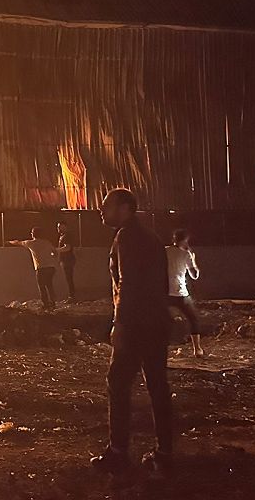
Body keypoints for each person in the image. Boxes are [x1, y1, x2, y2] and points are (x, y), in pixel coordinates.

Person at [91, 188, 173, 475]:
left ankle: (118, 453)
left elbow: (127, 283)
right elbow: (160, 284)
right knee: (158, 386)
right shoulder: (151, 238)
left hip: (136, 325)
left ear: (125, 208)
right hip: (156, 323)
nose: (101, 211)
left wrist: (120, 324)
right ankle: (165, 452)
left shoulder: (126, 237)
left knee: (117, 382)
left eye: (107, 206)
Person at [166, 229, 203, 357]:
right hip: (180, 293)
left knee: (159, 320)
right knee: (194, 319)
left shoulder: (164, 251)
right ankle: (197, 349)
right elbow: (195, 275)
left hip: (165, 293)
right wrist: (193, 258)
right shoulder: (186, 254)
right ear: (185, 240)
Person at [9, 228, 58, 310]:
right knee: (49, 285)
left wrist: (9, 242)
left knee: (42, 287)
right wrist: (51, 257)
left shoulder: (30, 243)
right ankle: (53, 303)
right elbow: (55, 252)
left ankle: (46, 304)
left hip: (41, 268)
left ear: (33, 234)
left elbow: (18, 242)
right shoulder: (47, 242)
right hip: (51, 267)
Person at [56, 220, 78, 301]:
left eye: (59, 227)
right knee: (68, 278)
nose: (58, 228)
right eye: (58, 227)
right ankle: (71, 296)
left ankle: (72, 296)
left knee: (69, 278)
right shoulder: (63, 236)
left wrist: (56, 250)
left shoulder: (66, 236)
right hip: (66, 260)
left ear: (64, 227)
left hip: (68, 260)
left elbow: (67, 248)